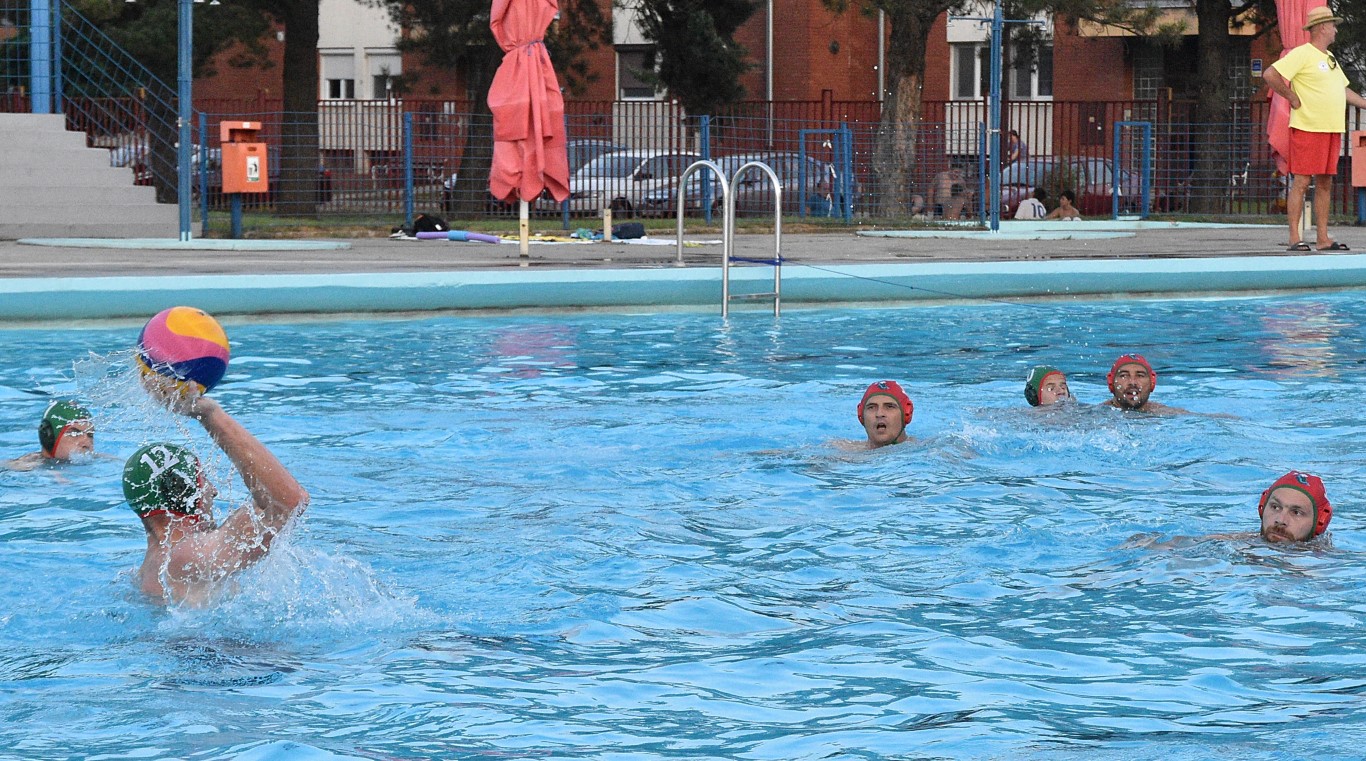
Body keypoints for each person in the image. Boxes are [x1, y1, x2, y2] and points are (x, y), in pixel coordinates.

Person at [123, 390, 309, 606]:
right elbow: (289, 502)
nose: (213, 491)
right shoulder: (187, 557)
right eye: (204, 480)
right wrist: (210, 415)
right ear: (184, 491)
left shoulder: (146, 569)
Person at [1262, 7, 1366, 252]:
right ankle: (1294, 237)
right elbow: (1270, 74)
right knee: (1301, 181)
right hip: (1308, 127)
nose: (1336, 30)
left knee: (1325, 182)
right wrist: (1291, 97)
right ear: (1322, 27)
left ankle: (1322, 238)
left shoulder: (1329, 58)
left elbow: (1342, 89)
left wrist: (1365, 103)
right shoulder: (1302, 53)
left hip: (1330, 128)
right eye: (1333, 25)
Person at [3, 399, 95, 471]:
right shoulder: (24, 468)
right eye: (74, 433)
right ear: (49, 436)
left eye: (90, 435)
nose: (87, 443)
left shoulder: (97, 459)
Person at [1102, 354, 1190, 415]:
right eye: (1124, 376)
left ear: (1152, 382)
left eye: (1140, 375)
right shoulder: (1097, 415)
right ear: (1111, 382)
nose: (1132, 382)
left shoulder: (1170, 414)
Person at [857, 380, 913, 449]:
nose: (879, 414)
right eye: (871, 407)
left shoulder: (922, 450)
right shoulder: (847, 452)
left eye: (889, 407)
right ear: (861, 415)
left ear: (907, 413)